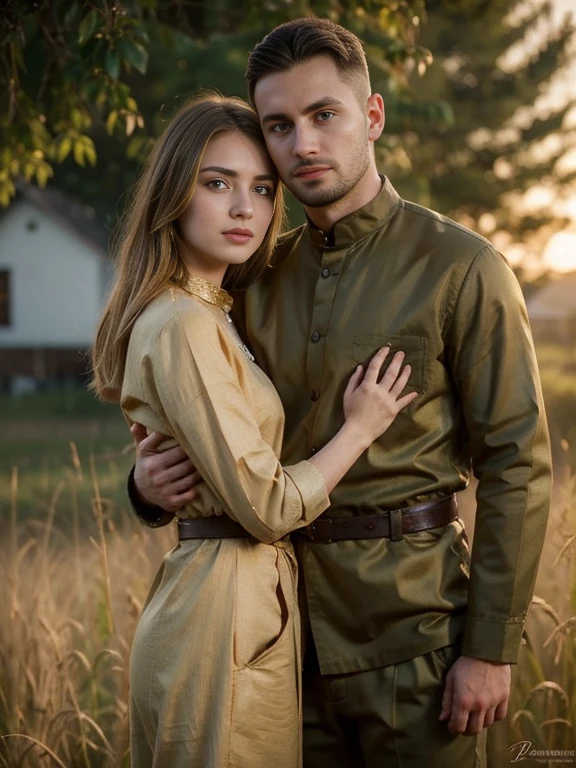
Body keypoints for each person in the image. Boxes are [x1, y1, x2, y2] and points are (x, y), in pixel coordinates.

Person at [128, 18, 552, 768]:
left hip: (418, 642)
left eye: (325, 115)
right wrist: (144, 488)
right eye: (280, 126)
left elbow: (517, 463)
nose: (304, 145)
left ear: (373, 116)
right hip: (279, 648)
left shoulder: (463, 267)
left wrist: (489, 648)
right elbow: (211, 421)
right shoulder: (254, 278)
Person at [90, 94, 417, 768]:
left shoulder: (217, 313)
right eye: (217, 184)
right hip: (219, 614)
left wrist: (146, 489)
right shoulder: (183, 323)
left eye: (262, 189)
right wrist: (360, 428)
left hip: (238, 606)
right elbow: (267, 506)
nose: (245, 209)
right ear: (173, 195)